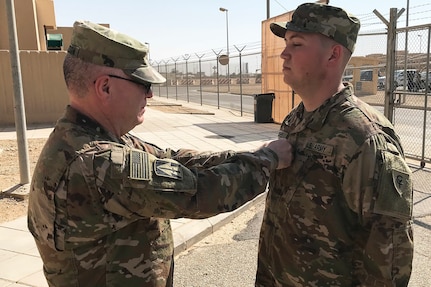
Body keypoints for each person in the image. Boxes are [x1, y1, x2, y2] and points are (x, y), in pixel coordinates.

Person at [27, 20, 293, 287]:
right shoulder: (97, 163)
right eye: (142, 83)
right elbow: (201, 192)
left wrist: (245, 155)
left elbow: (170, 158)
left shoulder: (85, 137)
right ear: (105, 87)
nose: (151, 94)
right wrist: (268, 160)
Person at [256, 3, 414, 286]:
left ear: (333, 54)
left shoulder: (365, 139)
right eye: (286, 42)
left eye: (297, 43)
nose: (284, 52)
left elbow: (389, 261)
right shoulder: (295, 120)